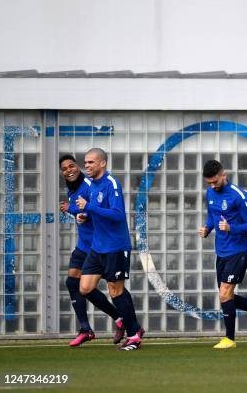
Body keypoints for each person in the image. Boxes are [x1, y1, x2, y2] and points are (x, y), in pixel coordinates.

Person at [75, 148, 144, 351]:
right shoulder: (90, 185)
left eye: (91, 162)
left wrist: (89, 207)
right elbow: (91, 209)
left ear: (102, 163)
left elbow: (117, 214)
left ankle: (134, 337)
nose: (86, 166)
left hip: (115, 246)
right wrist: (84, 215)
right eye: (85, 162)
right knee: (85, 287)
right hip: (98, 247)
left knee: (116, 290)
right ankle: (131, 324)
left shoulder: (111, 184)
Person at [198, 160, 247, 349]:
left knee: (224, 294)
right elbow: (212, 215)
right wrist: (207, 228)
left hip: (238, 251)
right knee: (226, 296)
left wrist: (231, 227)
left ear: (224, 175)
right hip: (221, 251)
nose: (212, 186)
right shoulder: (210, 192)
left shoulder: (238, 196)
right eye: (209, 183)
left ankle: (229, 339)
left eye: (215, 181)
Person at [58, 154, 124, 347]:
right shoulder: (72, 188)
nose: (69, 170)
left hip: (99, 245)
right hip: (83, 244)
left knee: (113, 289)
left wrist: (81, 213)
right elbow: (80, 210)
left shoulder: (90, 184)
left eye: (72, 166)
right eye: (64, 168)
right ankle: (86, 329)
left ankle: (123, 319)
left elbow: (95, 209)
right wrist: (72, 210)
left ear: (77, 167)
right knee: (72, 282)